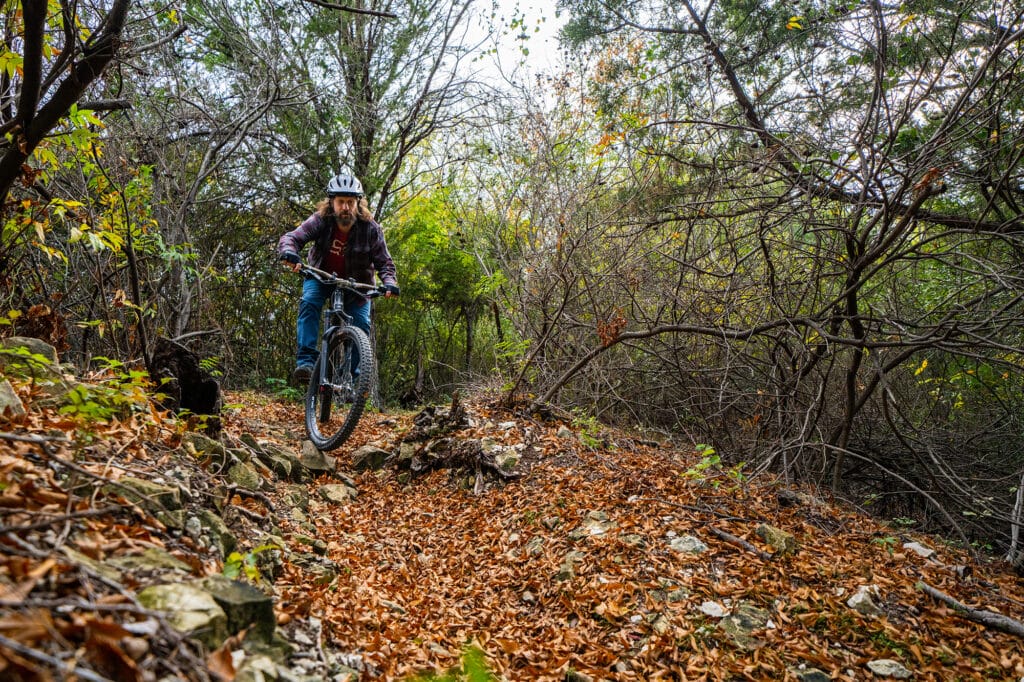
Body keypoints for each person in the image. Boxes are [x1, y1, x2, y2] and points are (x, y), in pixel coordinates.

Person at [278, 173, 399, 386]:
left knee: (361, 324)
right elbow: (291, 238)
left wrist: (390, 282)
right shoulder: (320, 221)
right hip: (321, 277)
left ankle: (353, 379)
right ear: (332, 203)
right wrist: (290, 254)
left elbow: (384, 262)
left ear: (358, 204)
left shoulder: (371, 228)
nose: (346, 207)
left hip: (357, 286)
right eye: (341, 202)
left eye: (350, 202)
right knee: (309, 302)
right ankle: (306, 362)